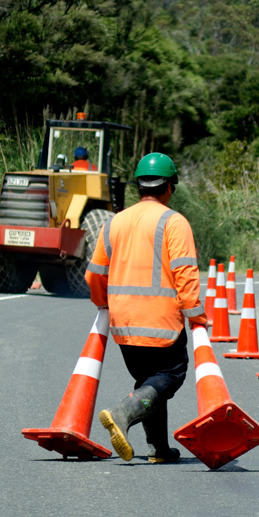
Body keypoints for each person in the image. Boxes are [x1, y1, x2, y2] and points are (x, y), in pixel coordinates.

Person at [85, 152, 206, 463]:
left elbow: (94, 275)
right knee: (171, 373)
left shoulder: (114, 223)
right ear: (169, 187)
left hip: (123, 326)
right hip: (162, 323)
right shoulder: (174, 222)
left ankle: (159, 449)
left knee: (150, 382)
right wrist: (197, 318)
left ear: (138, 186)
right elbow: (186, 276)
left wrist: (104, 306)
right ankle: (122, 412)